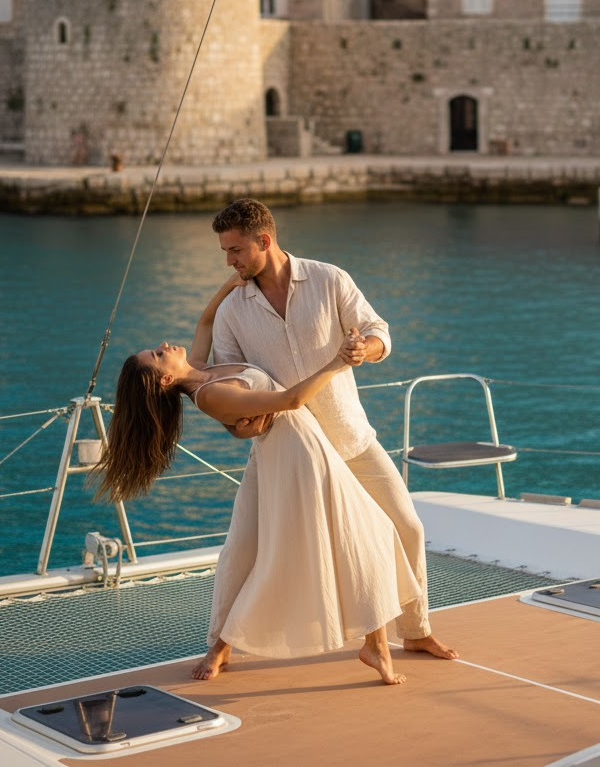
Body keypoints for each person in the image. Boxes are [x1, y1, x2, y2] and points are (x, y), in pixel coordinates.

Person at [94, 277, 420, 686]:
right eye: (159, 355)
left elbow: (206, 320)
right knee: (366, 535)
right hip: (300, 455)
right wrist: (339, 362)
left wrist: (233, 282)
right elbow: (290, 401)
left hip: (299, 446)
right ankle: (372, 644)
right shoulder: (210, 395)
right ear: (163, 381)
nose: (165, 345)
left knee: (360, 535)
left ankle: (373, 643)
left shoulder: (197, 368)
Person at [194, 197, 458, 681]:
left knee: (407, 527)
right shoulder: (234, 309)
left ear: (264, 241)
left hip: (349, 436)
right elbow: (225, 378)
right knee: (245, 547)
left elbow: (380, 331)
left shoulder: (329, 279)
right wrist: (237, 425)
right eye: (226, 252)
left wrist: (365, 348)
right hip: (280, 449)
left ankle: (415, 631)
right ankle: (220, 645)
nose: (229, 261)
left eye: (234, 250)